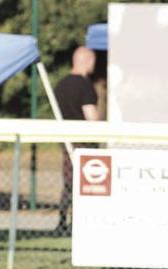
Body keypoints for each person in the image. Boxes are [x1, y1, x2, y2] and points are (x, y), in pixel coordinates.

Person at [53, 46, 100, 235]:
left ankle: (62, 220)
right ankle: (79, 221)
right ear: (87, 61)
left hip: (66, 140)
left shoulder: (60, 85)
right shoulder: (85, 86)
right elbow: (91, 117)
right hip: (83, 142)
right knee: (85, 182)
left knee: (68, 182)